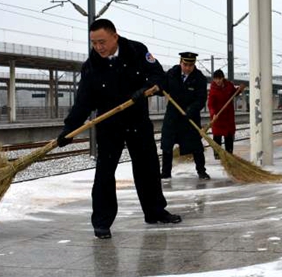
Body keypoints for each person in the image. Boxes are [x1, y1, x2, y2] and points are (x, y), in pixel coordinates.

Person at [57, 18, 181, 240]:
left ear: (115, 36)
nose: (98, 47)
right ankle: (102, 222)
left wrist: (145, 89)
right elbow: (83, 103)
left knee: (148, 168)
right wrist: (68, 129)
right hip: (109, 126)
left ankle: (155, 212)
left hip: (137, 120)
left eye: (102, 42)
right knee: (104, 173)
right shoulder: (91, 67)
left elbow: (158, 77)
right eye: (94, 43)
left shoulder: (136, 51)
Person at [160, 52, 210, 180]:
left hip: (189, 117)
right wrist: (159, 89)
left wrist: (191, 109)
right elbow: (163, 88)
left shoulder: (199, 78)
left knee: (196, 146)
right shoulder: (172, 74)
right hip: (172, 115)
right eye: (185, 64)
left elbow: (201, 98)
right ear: (180, 62)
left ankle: (201, 171)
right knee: (167, 144)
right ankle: (165, 172)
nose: (188, 68)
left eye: (191, 65)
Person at [207, 69, 241, 158]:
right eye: (215, 79)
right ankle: (217, 155)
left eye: (219, 79)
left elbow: (234, 93)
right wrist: (213, 113)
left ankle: (229, 155)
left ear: (223, 78)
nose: (217, 81)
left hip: (228, 117)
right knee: (217, 137)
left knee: (229, 137)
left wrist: (239, 90)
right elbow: (210, 104)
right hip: (217, 117)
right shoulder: (213, 90)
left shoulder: (229, 85)